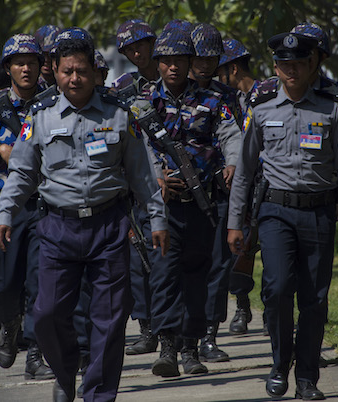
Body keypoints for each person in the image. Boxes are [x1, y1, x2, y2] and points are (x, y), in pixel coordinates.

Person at [0, 27, 169, 402]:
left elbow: (141, 174)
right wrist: (5, 213)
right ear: (55, 71)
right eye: (67, 71)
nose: (74, 78)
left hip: (109, 227)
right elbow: (22, 173)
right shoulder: (40, 117)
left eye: (82, 71)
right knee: (46, 315)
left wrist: (157, 219)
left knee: (109, 319)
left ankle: (98, 395)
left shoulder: (119, 115)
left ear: (94, 72)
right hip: (57, 227)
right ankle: (66, 369)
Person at [227, 32, 338, 401]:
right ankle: (279, 363)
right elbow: (245, 170)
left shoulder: (332, 108)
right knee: (277, 288)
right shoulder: (262, 108)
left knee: (314, 299)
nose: (292, 71)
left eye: (299, 63)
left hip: (319, 212)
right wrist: (235, 222)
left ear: (310, 65)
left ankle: (306, 379)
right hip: (275, 212)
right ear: (275, 68)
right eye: (285, 64)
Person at [137, 20, 241, 378]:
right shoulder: (142, 103)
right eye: (167, 60)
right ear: (158, 62)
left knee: (198, 276)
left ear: (189, 61)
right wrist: (156, 178)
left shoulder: (213, 100)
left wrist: (232, 163)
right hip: (161, 207)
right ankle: (167, 347)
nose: (173, 67)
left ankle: (191, 349)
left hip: (202, 205)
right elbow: (138, 147)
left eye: (180, 60)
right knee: (164, 276)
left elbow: (231, 135)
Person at [0, 33, 55, 381]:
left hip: (45, 203)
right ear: (8, 68)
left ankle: (36, 353)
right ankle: (7, 325)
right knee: (4, 282)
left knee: (39, 281)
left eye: (32, 63)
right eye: (19, 63)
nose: (26, 69)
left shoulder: (53, 103)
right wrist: (0, 152)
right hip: (5, 205)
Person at [188, 22, 241, 363]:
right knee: (186, 266)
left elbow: (239, 136)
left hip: (220, 192)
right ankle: (181, 339)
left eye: (211, 58)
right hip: (183, 194)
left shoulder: (227, 96)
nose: (205, 64)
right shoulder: (175, 93)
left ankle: (209, 335)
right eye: (199, 57)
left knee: (219, 265)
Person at [111, 18, 163, 357]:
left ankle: (188, 331)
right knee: (139, 261)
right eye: (129, 49)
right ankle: (147, 328)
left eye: (141, 44)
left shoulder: (177, 79)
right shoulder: (123, 88)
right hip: (139, 186)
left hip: (181, 182)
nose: (136, 52)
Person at [215, 37, 261, 336]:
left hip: (267, 184)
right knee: (239, 251)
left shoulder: (266, 95)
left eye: (220, 72)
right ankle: (242, 307)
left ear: (233, 69)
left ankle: (273, 310)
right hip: (240, 187)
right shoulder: (231, 101)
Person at [35, 24, 64, 89]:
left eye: (51, 55)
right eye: (42, 54)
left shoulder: (68, 83)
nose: (46, 60)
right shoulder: (30, 86)